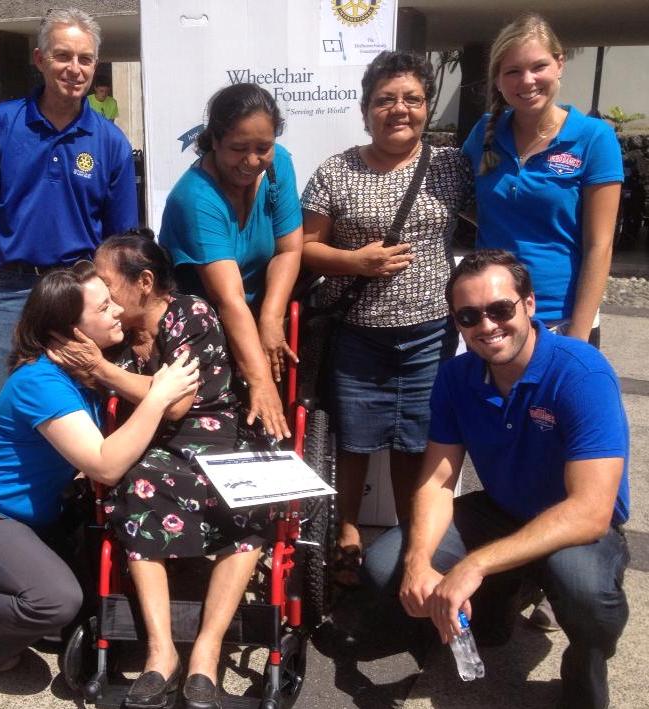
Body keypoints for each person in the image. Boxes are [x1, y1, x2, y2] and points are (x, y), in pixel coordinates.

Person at [363, 250, 630, 709]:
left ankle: (584, 660)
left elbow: (589, 509)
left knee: (587, 595)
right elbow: (437, 479)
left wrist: (472, 566)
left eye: (500, 309)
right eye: (469, 316)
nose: (486, 325)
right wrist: (419, 562)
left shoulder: (580, 371)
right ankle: (511, 590)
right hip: (503, 510)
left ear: (528, 304)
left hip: (575, 523)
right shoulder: (455, 376)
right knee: (386, 564)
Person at [0, 262, 199, 675]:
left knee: (94, 600)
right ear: (67, 332)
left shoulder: (88, 366)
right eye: (103, 308)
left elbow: (165, 394)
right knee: (55, 601)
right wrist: (158, 398)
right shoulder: (42, 382)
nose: (116, 313)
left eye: (112, 302)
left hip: (36, 520)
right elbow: (104, 465)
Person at [47, 231, 270, 709]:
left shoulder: (191, 313)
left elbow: (177, 403)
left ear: (144, 282)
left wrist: (104, 372)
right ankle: (161, 652)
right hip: (154, 448)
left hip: (213, 437)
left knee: (252, 503)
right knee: (140, 484)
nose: (103, 295)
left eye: (108, 283)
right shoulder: (115, 332)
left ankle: (206, 653)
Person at [301, 51, 472, 584]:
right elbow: (305, 248)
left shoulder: (452, 167)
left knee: (414, 440)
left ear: (427, 106)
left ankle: (409, 540)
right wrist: (356, 262)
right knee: (354, 438)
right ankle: (347, 533)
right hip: (358, 334)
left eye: (412, 99)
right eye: (385, 100)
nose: (399, 109)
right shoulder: (336, 170)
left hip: (429, 334)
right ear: (366, 108)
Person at [0, 7, 138, 463]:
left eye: (84, 59)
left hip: (78, 292)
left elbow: (119, 244)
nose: (74, 69)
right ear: (39, 59)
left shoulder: (110, 141)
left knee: (79, 400)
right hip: (14, 288)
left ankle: (64, 504)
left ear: (96, 66)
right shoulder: (0, 125)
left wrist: (118, 309)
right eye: (63, 56)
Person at [462, 13, 623, 348]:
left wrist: (577, 339)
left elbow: (600, 245)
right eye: (513, 71)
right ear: (499, 79)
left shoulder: (593, 138)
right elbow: (456, 197)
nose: (527, 80)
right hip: (493, 315)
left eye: (538, 66)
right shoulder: (485, 133)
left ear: (559, 64)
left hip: (561, 320)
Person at [159, 82, 303, 442]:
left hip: (260, 312)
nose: (253, 161)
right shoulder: (194, 197)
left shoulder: (278, 164)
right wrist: (260, 382)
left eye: (263, 148)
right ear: (215, 141)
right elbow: (229, 299)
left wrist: (272, 317)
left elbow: (289, 249)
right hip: (203, 332)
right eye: (239, 148)